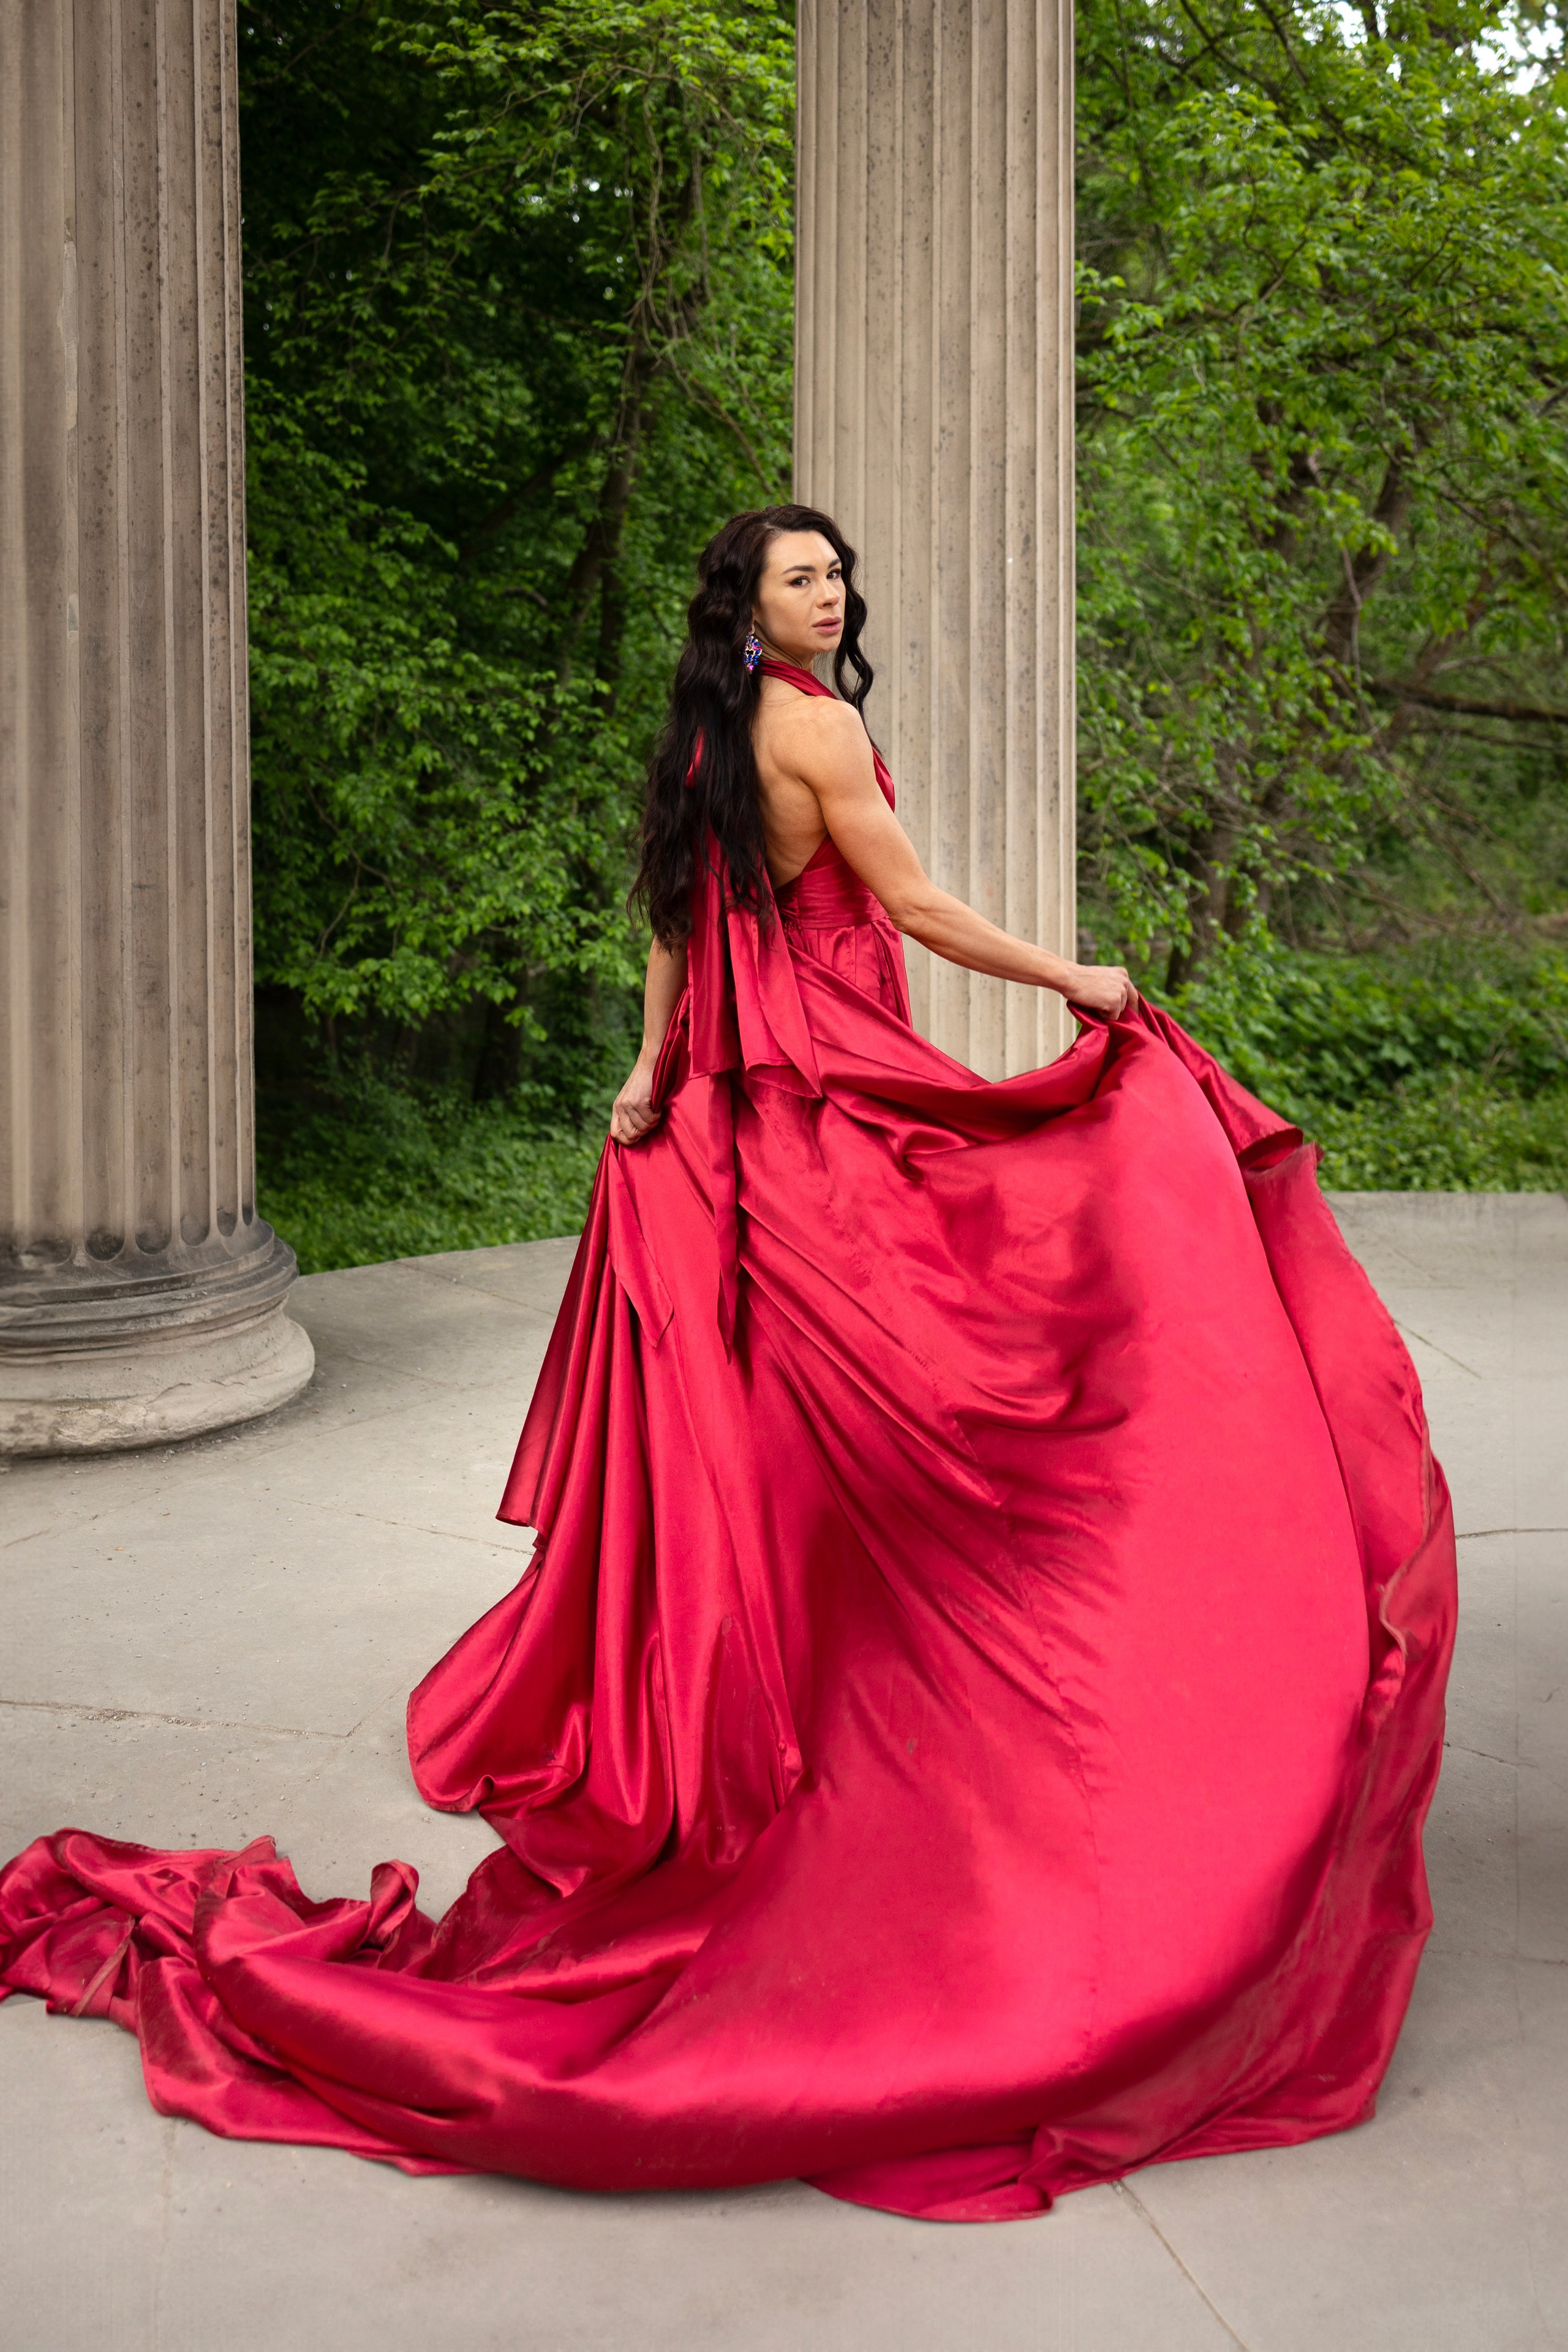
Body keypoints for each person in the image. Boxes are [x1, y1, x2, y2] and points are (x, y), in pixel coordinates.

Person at [0, 504, 1456, 2223]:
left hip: (725, 1107)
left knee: (762, 1418)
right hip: (825, 1092)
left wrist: (645, 1074)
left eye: (836, 571)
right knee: (978, 1359)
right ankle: (890, 1688)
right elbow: (905, 906)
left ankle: (760, 1683)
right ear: (751, 606)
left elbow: (677, 922)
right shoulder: (817, 725)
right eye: (800, 578)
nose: (829, 592)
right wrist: (1080, 977)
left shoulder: (706, 727)